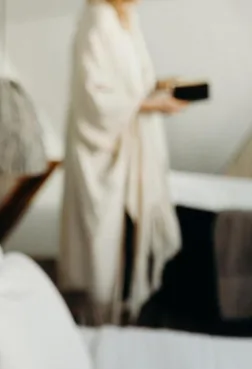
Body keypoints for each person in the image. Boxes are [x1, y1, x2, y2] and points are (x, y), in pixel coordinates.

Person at [58, 0, 188, 323]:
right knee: (102, 244)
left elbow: (130, 84)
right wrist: (154, 106)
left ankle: (123, 313)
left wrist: (160, 86)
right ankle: (99, 319)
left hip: (130, 148)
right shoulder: (97, 20)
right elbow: (94, 98)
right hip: (103, 154)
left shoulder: (127, 20)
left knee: (127, 237)